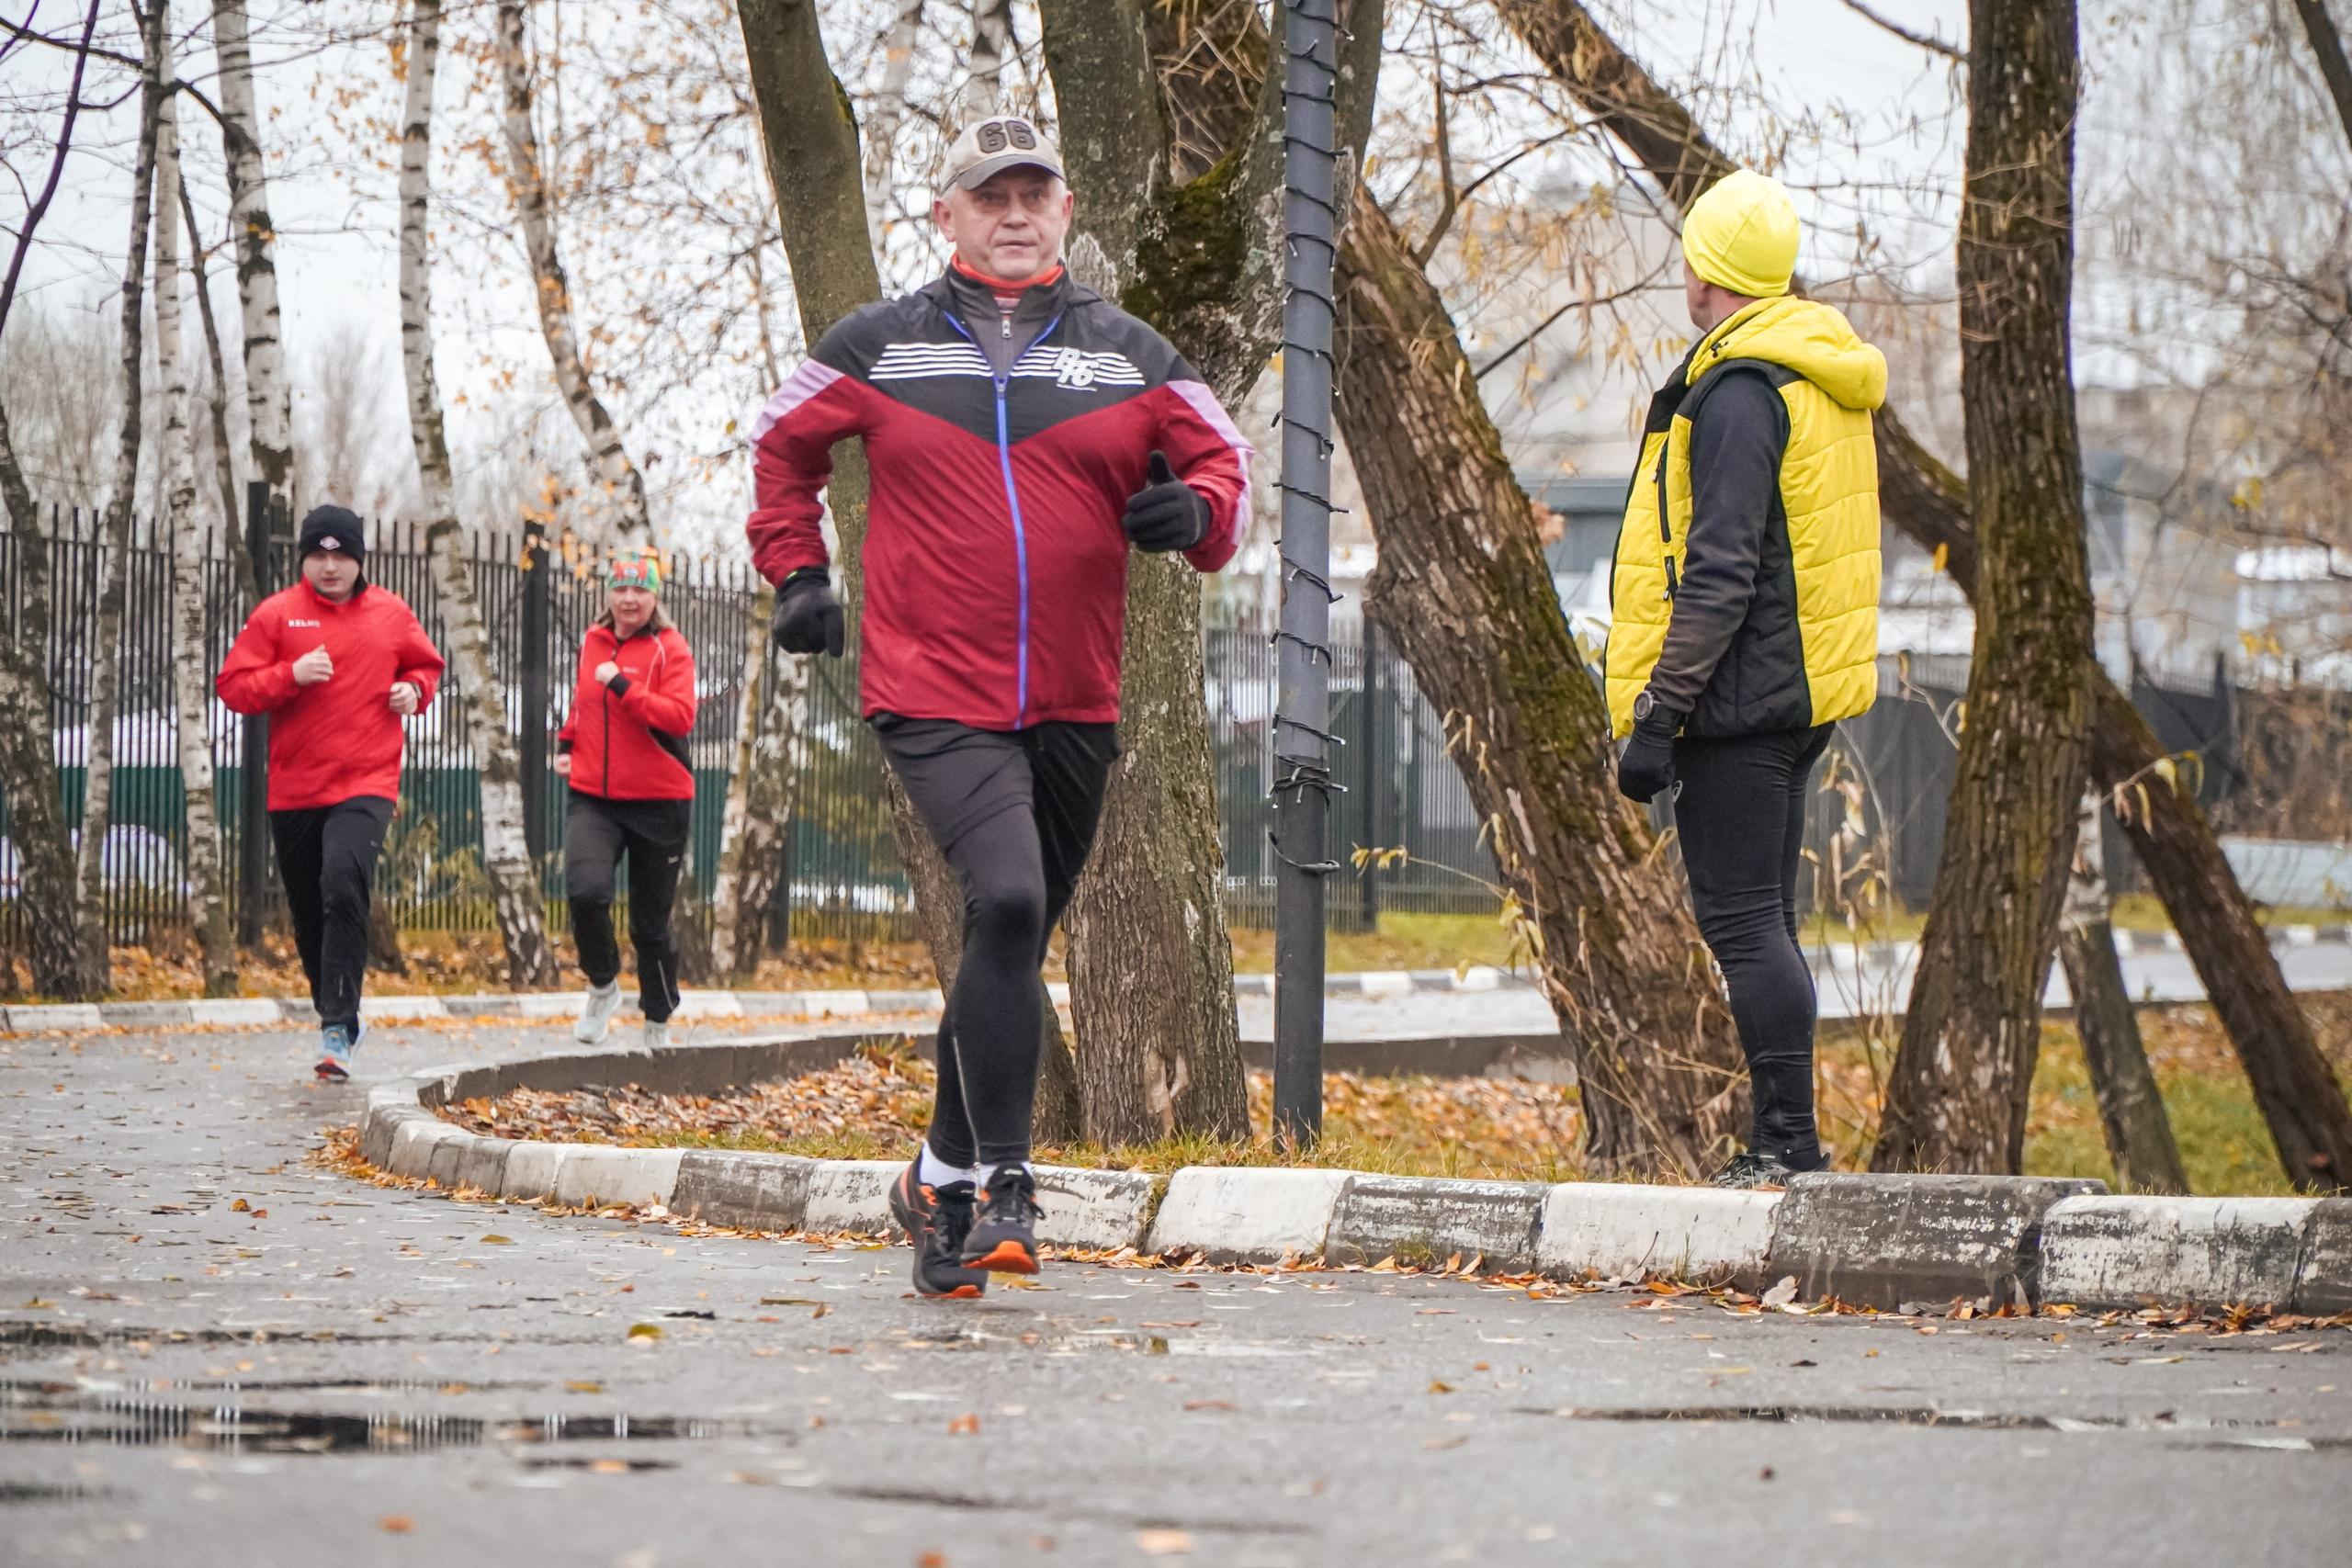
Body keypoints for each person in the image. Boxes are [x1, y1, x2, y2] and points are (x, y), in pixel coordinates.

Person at [744, 115, 1251, 1295]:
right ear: (949, 216)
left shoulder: (1128, 353)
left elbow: (1223, 468)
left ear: (1066, 213)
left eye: (1034, 194)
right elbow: (779, 447)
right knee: (1013, 897)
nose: (1014, 214)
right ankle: (1004, 1188)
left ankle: (932, 1177)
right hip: (933, 691)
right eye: (991, 196)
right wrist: (799, 573)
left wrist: (1195, 518)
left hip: (1075, 697)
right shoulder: (881, 344)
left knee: (1005, 940)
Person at [1603, 169, 1887, 1189]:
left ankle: (1784, 1147)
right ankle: (1787, 1142)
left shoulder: (1736, 394)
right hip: (1791, 692)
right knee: (1764, 917)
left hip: (1735, 703)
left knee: (1740, 922)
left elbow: (1718, 574)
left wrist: (1657, 714)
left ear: (1704, 269)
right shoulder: (1809, 372)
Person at [218, 504, 446, 1081]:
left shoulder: (391, 614)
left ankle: (338, 1027)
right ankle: (335, 1009)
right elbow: (233, 687)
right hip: (295, 788)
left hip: (366, 781)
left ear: (358, 559)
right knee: (307, 909)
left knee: (342, 881)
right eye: (317, 555)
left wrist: (414, 692)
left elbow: (427, 669)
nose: (329, 566)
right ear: (303, 560)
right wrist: (288, 677)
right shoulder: (278, 615)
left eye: (340, 554)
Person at [554, 548, 698, 1051]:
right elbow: (581, 702)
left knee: (649, 925)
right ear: (608, 593)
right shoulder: (593, 641)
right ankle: (602, 985)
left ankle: (657, 1018)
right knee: (586, 891)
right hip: (594, 796)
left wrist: (622, 686)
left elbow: (679, 717)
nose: (629, 598)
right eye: (621, 588)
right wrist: (567, 743)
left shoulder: (670, 648)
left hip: (660, 800)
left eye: (640, 589)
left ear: (654, 595)